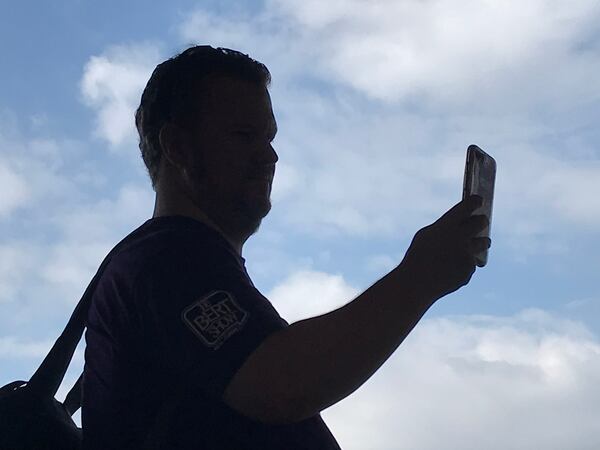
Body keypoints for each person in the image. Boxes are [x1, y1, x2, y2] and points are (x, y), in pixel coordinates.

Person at [81, 45, 491, 449]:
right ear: (178, 147)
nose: (269, 156)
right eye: (243, 136)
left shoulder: (170, 265)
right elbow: (283, 384)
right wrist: (419, 277)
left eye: (269, 138)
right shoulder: (167, 260)